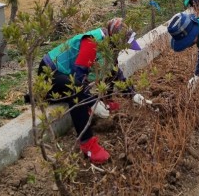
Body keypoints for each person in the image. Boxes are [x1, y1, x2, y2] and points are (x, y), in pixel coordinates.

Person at [37, 17, 148, 164]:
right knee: (75, 93)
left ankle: (105, 100)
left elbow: (114, 72)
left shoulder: (108, 46)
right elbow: (77, 81)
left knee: (90, 84)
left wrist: (133, 94)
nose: (125, 48)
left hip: (66, 76)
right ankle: (87, 144)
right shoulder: (92, 43)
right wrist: (92, 102)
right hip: (49, 76)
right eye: (124, 45)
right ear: (115, 39)